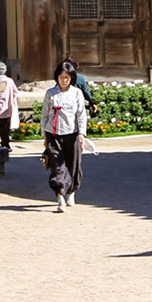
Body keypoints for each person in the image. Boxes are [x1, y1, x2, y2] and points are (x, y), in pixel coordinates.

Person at [42, 66, 88, 212]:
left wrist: (81, 133)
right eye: (61, 77)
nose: (64, 80)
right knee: (57, 166)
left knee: (73, 164)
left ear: (71, 78)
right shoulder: (50, 93)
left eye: (67, 77)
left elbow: (81, 114)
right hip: (53, 133)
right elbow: (45, 115)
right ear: (57, 77)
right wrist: (44, 135)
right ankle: (60, 195)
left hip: (72, 133)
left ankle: (71, 191)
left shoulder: (76, 93)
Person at [0, 61, 19, 152]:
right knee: (6, 127)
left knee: (0, 127)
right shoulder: (10, 81)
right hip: (8, 108)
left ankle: (5, 144)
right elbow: (15, 92)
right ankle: (5, 143)